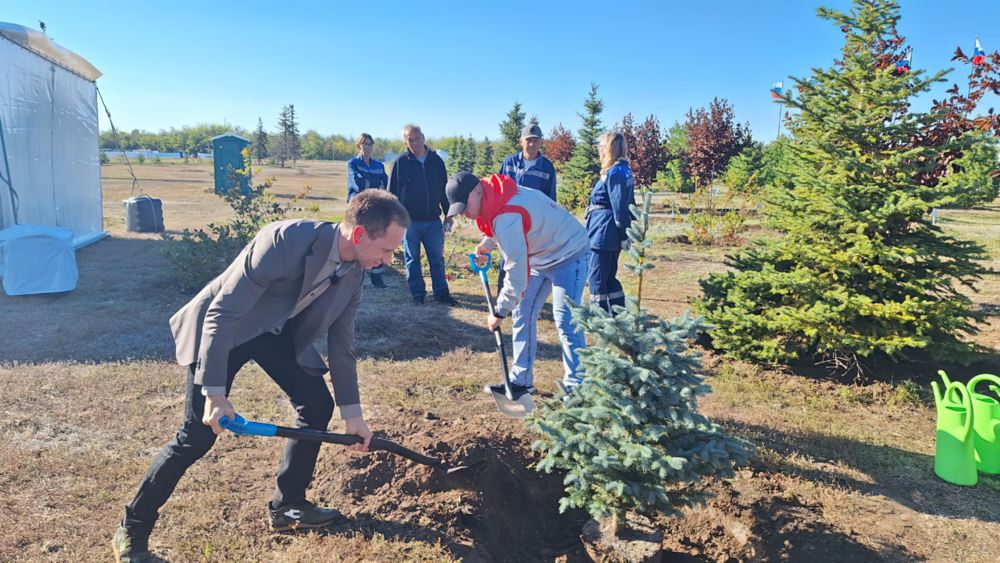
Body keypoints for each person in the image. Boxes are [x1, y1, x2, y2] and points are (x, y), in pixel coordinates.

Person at [112, 191, 410, 562]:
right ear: (360, 234)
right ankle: (132, 529)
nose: (388, 260)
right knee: (197, 436)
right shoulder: (285, 240)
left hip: (272, 333)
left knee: (317, 404)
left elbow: (341, 346)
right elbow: (223, 313)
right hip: (224, 330)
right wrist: (215, 395)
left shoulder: (353, 274)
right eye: (386, 250)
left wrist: (353, 415)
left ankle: (289, 507)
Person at [445, 171, 589, 398]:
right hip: (541, 254)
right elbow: (501, 220)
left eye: (464, 206)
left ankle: (577, 386)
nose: (463, 214)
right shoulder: (494, 195)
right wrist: (487, 244)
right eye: (458, 209)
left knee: (565, 318)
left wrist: (500, 311)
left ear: (478, 191)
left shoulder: (506, 215)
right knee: (523, 312)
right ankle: (521, 380)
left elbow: (516, 271)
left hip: (569, 252)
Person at [387, 124, 457, 306]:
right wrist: (394, 219)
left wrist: (449, 215)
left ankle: (441, 293)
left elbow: (445, 190)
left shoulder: (436, 161)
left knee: (437, 259)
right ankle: (418, 294)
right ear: (405, 142)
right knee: (412, 260)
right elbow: (391, 194)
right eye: (410, 140)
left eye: (417, 138)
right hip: (409, 222)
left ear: (423, 137)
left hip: (433, 221)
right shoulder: (401, 163)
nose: (414, 143)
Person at [497, 123, 558, 288]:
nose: (532, 144)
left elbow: (551, 200)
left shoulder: (547, 168)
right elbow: (498, 192)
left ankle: (523, 298)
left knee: (529, 263)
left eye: (536, 140)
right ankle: (502, 298)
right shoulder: (509, 163)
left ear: (541, 142)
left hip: (533, 225)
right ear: (521, 141)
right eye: (528, 140)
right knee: (507, 261)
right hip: (509, 222)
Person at [586, 131, 635, 314]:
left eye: (601, 147)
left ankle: (599, 319)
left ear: (608, 149)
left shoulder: (615, 172)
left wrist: (624, 234)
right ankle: (618, 315)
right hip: (607, 233)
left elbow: (620, 206)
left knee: (597, 278)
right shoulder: (623, 170)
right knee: (609, 278)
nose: (599, 151)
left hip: (603, 234)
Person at [347, 133, 390, 288]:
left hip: (376, 206)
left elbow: (386, 184)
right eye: (365, 143)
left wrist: (372, 184)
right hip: (359, 206)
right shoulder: (353, 163)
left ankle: (376, 276)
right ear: (359, 145)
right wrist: (375, 185)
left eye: (370, 144)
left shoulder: (379, 165)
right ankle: (355, 275)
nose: (368, 147)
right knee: (358, 239)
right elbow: (358, 184)